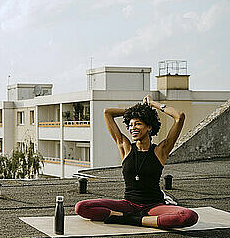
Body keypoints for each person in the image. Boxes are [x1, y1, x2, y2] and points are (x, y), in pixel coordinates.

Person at [75, 95, 198, 229]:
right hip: (128, 205)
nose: (133, 128)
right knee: (82, 207)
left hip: (154, 206)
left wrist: (152, 104)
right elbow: (107, 113)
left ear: (149, 127)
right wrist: (135, 110)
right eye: (131, 125)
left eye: (138, 123)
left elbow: (179, 116)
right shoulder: (125, 147)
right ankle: (138, 218)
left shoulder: (160, 151)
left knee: (188, 216)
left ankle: (133, 220)